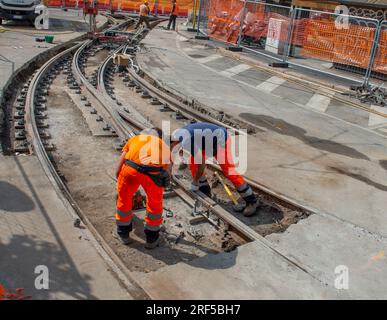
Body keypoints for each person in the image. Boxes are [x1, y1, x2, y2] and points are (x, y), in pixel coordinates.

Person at [171, 122, 259, 217]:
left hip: (220, 139)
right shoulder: (176, 135)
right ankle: (205, 191)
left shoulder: (185, 140)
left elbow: (202, 163)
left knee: (229, 171)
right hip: (206, 141)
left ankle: (252, 201)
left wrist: (195, 181)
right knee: (193, 164)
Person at [115, 128, 171, 249]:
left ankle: (123, 235)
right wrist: (162, 184)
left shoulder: (134, 139)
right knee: (155, 204)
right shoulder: (164, 146)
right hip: (154, 174)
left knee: (124, 200)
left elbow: (122, 160)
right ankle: (152, 239)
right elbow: (167, 170)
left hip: (130, 170)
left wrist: (119, 177)